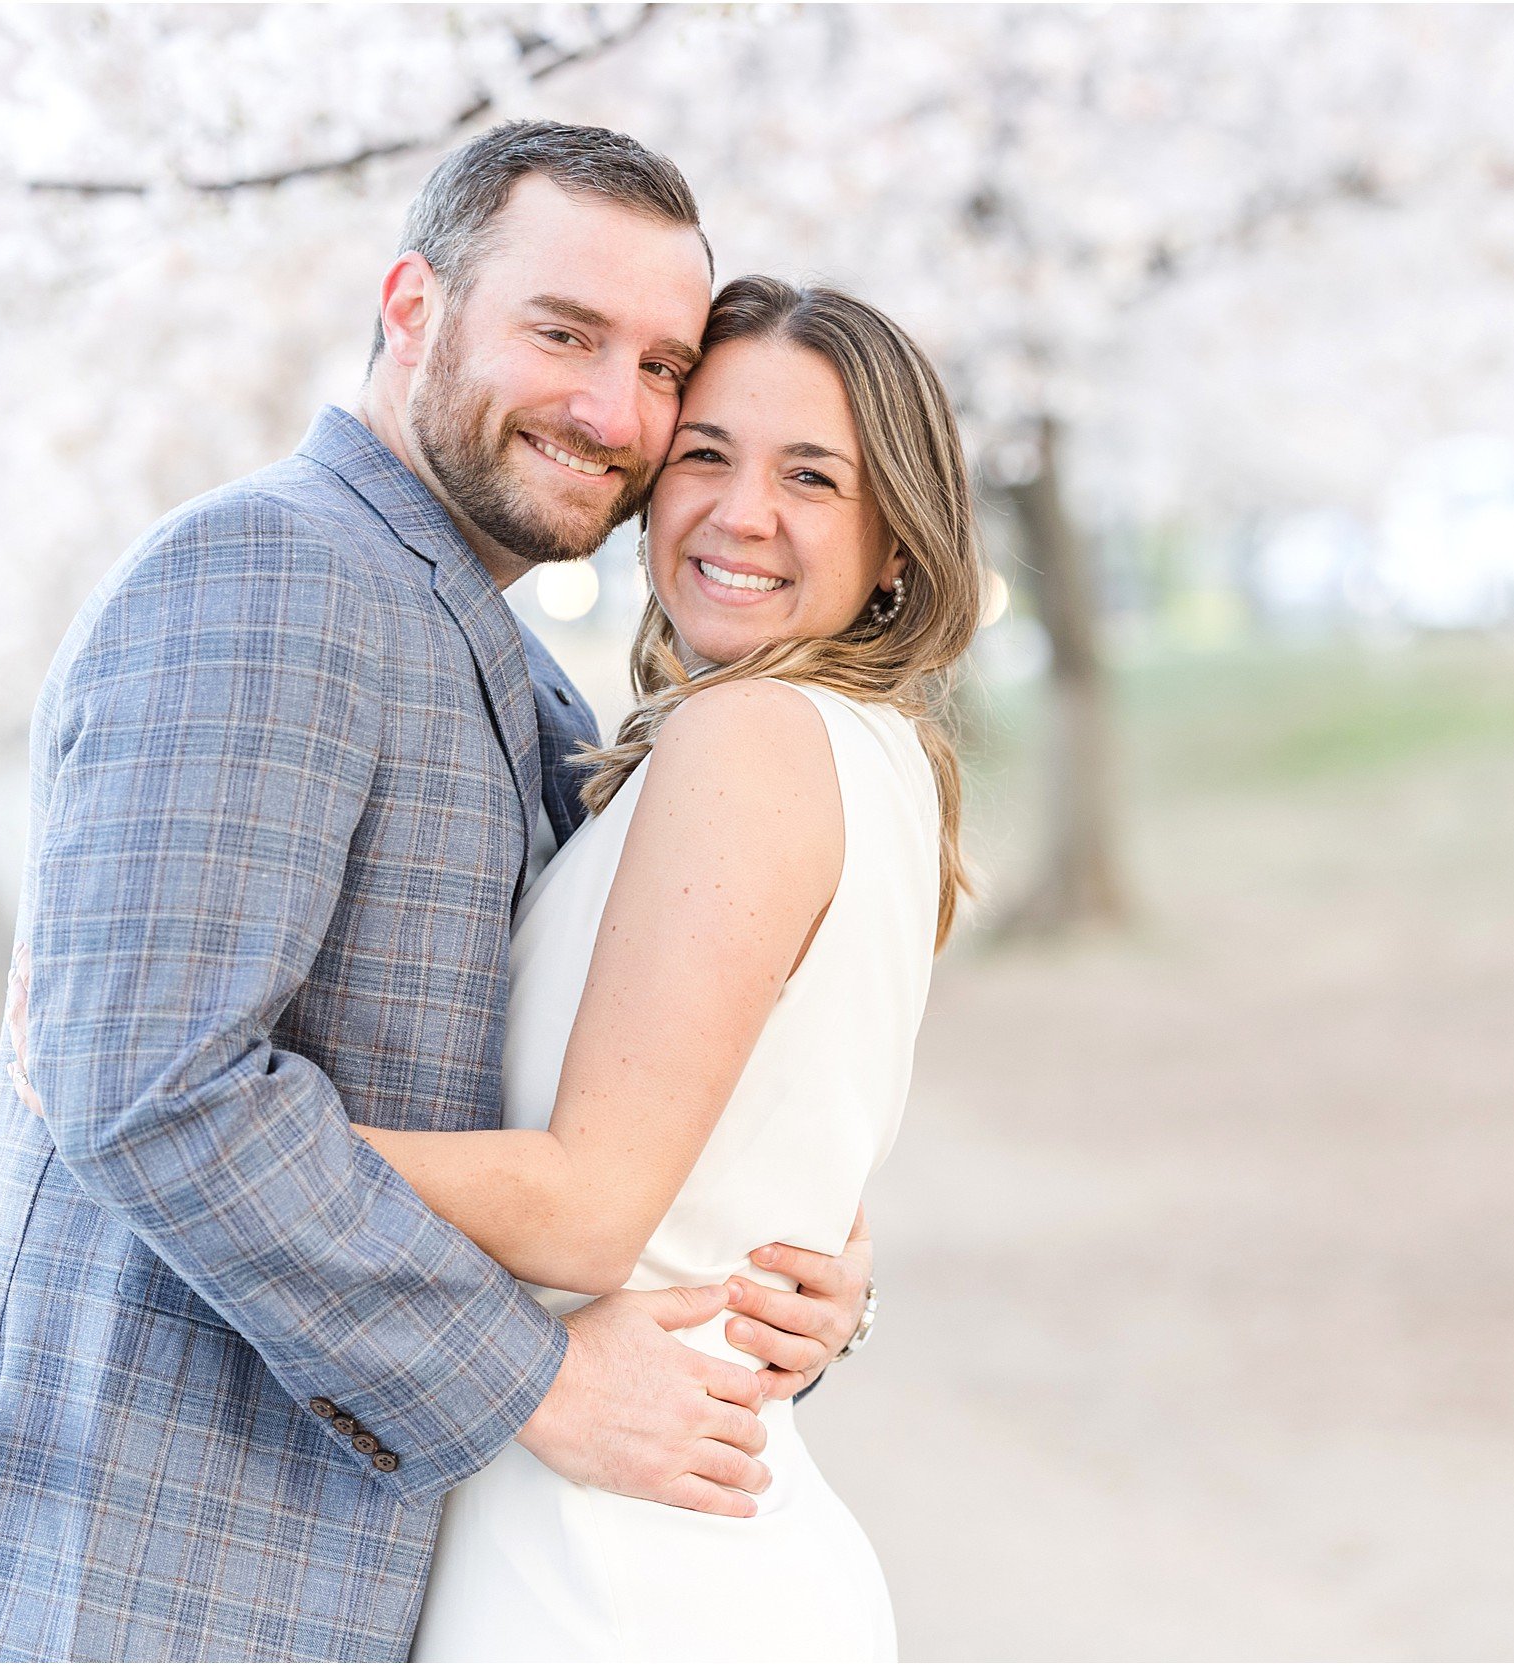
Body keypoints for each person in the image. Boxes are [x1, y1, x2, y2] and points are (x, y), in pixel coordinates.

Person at [0, 122, 876, 1664]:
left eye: (660, 365)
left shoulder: (536, 698)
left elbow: (604, 1106)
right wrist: (540, 1380)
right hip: (162, 1583)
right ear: (413, 306)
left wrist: (796, 1273)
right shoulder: (259, 575)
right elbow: (154, 1090)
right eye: (565, 334)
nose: (613, 408)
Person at [370, 276, 981, 1662]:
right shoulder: (873, 756)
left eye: (811, 476)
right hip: (676, 1532)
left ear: (897, 540)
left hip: (615, 1571)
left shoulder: (753, 740)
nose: (739, 510)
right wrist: (834, 1283)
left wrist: (216, 1117)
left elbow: (589, 1212)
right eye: (704, 452)